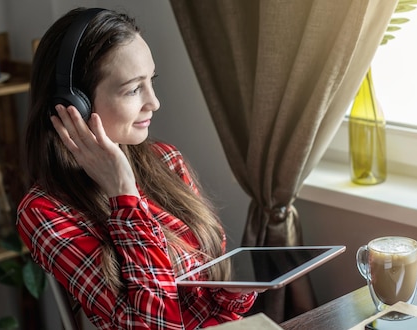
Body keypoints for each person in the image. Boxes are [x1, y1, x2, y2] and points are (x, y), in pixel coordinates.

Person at [16, 7, 257, 330]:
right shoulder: (44, 213)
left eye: (150, 82)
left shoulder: (167, 161)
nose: (154, 102)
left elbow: (216, 290)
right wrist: (124, 195)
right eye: (132, 89)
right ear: (75, 105)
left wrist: (235, 294)